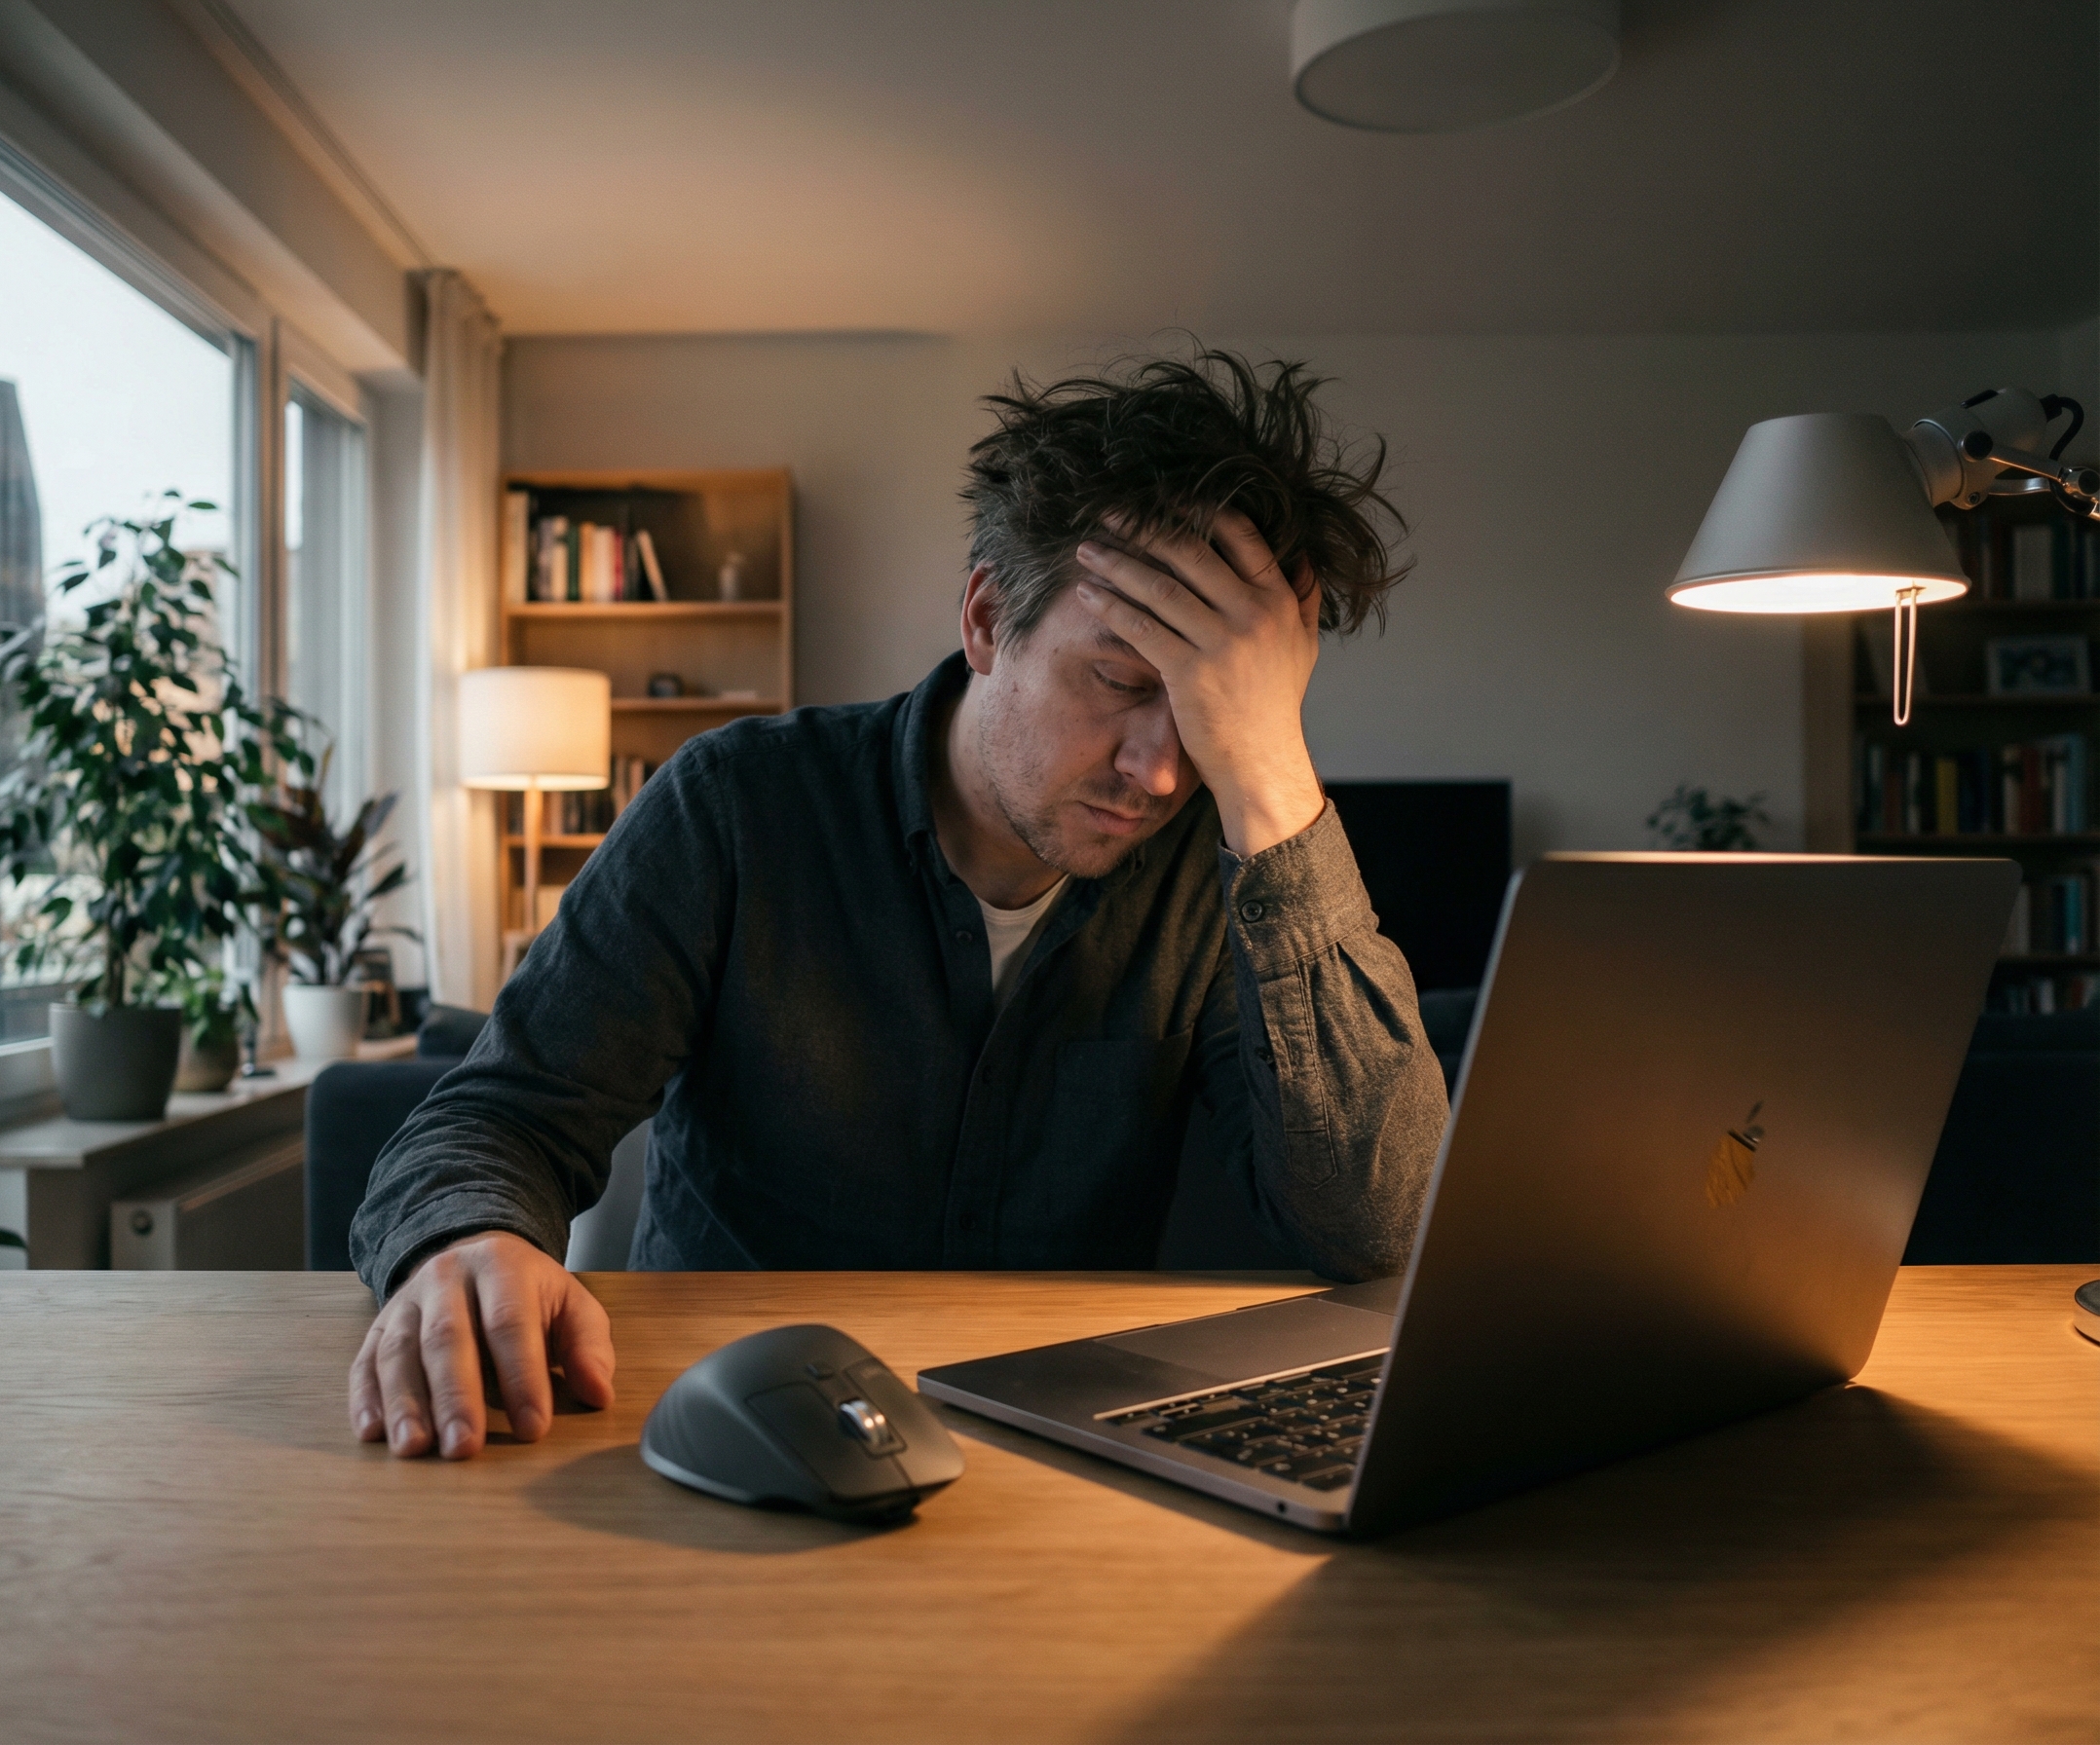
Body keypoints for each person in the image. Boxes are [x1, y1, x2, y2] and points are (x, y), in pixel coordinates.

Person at [348, 348, 1449, 1460]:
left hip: (1059, 1453)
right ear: (987, 618)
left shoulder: (1223, 867)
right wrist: (466, 1240)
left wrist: (1270, 773)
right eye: (1121, 681)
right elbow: (502, 1116)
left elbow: (1379, 1232)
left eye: (1215, 712)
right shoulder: (737, 807)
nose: (1160, 772)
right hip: (724, 1436)